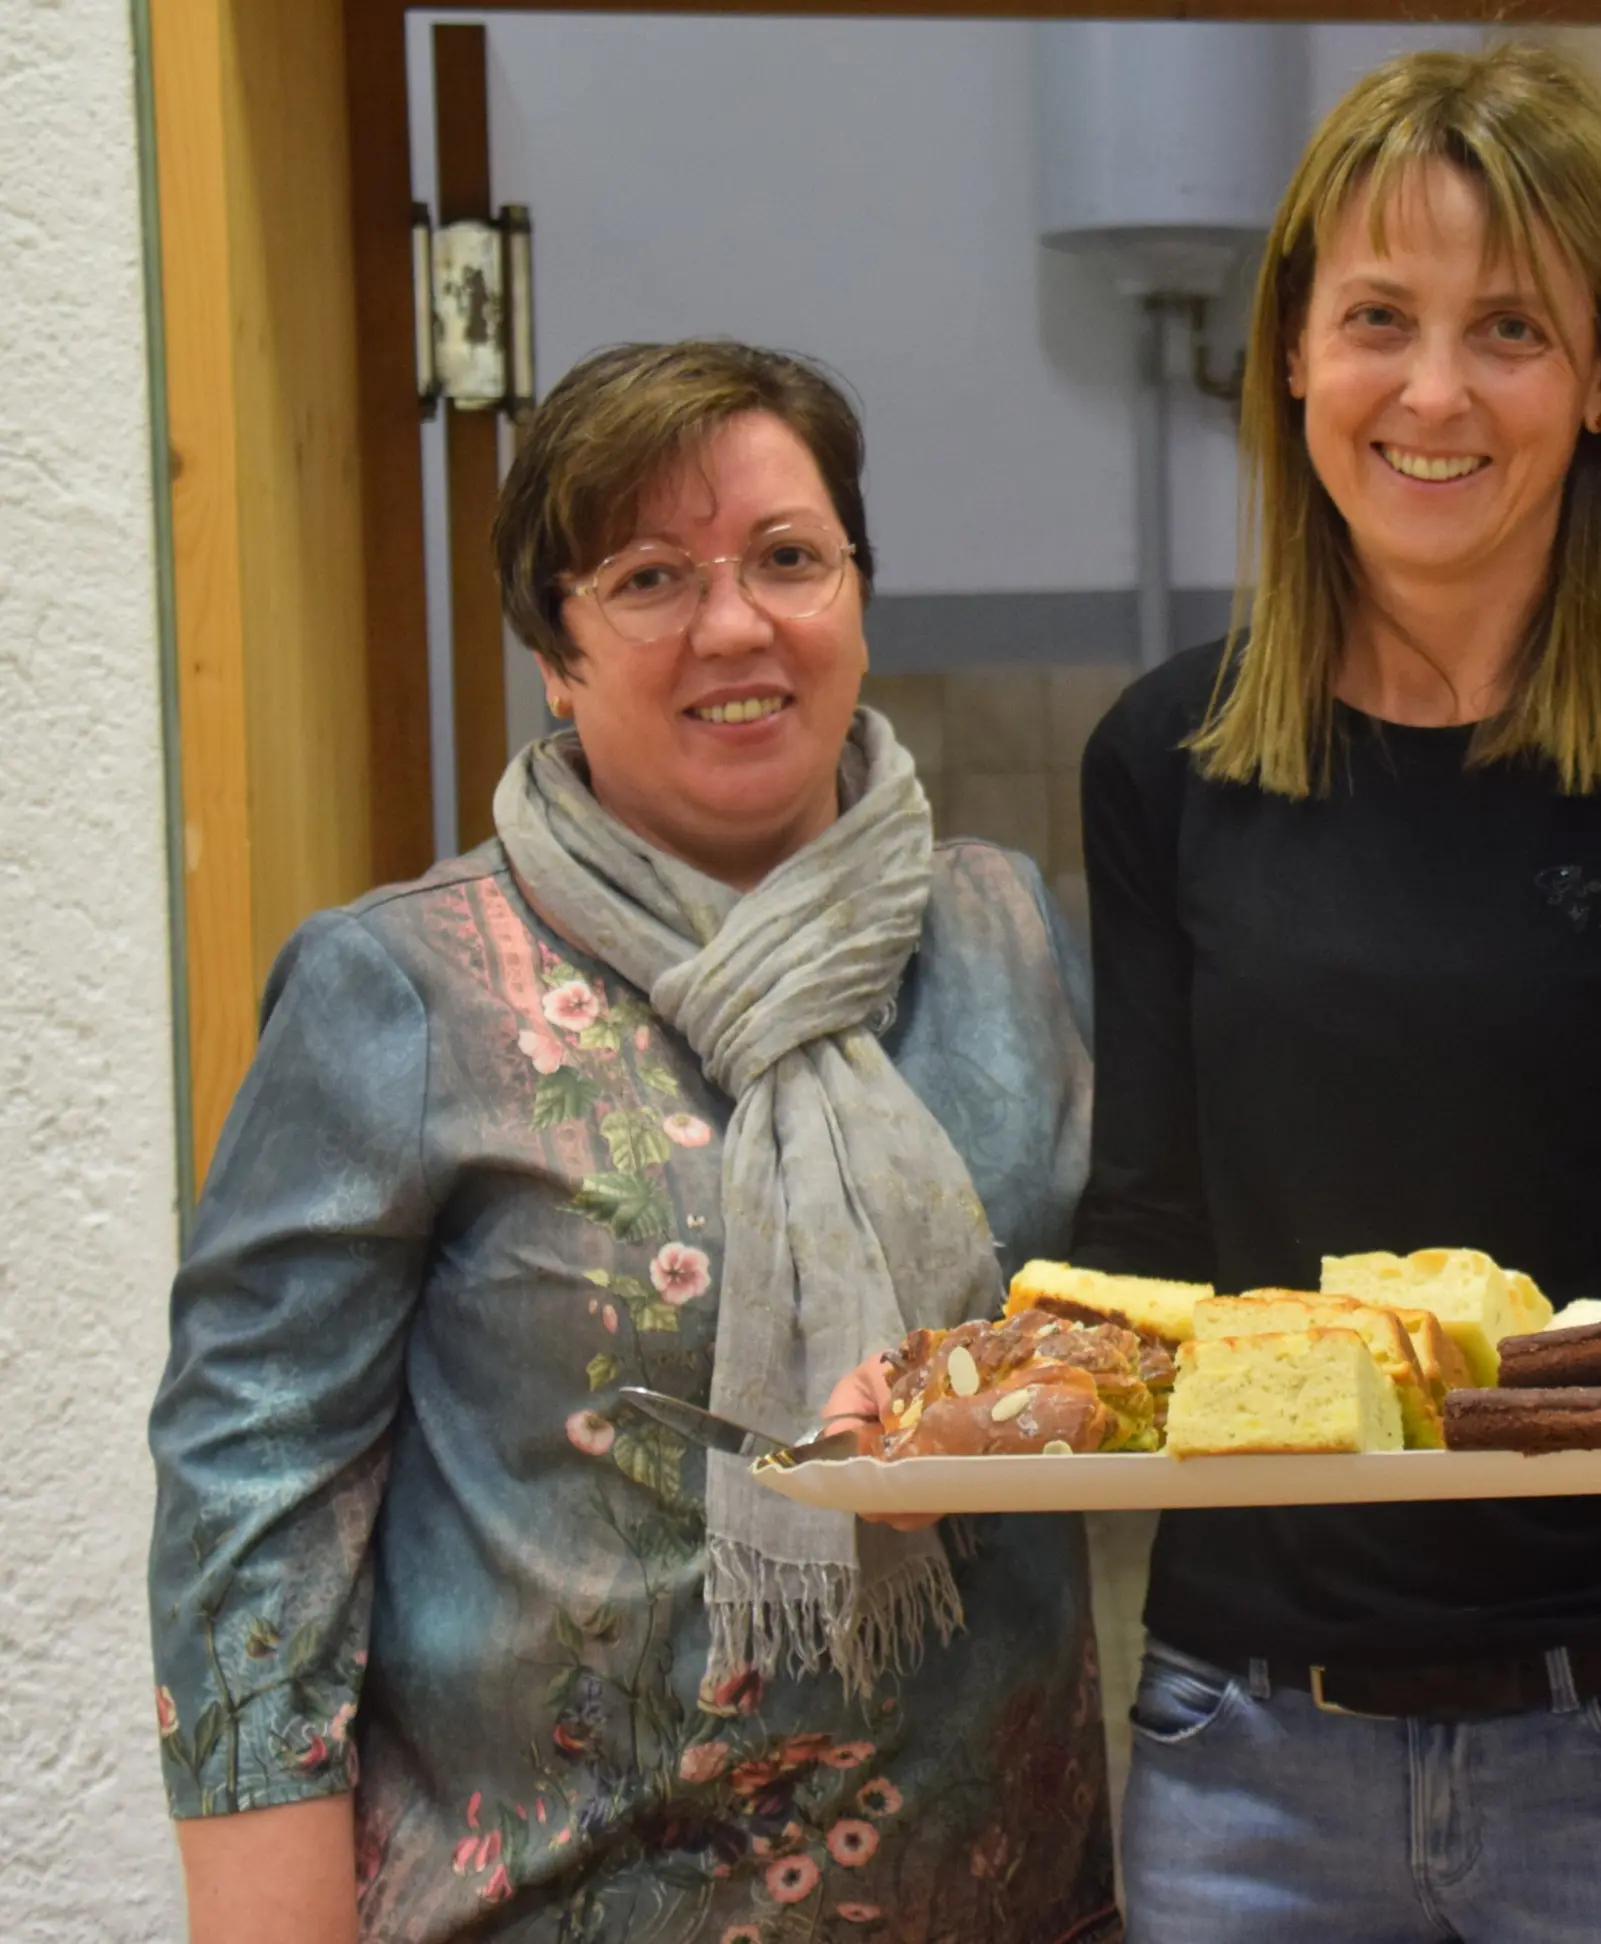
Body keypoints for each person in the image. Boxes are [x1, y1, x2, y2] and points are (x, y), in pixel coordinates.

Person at [146, 341, 1114, 1944]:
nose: (735, 625)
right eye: (652, 576)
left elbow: (1156, 1325)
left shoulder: (1010, 940)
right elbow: (251, 1496)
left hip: (1003, 1896)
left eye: (789, 560)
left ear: (859, 595)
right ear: (556, 647)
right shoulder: (408, 986)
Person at [1068, 45, 1601, 1944]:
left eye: (1507, 326)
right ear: (1297, 360)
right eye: (1378, 320)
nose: (1431, 390)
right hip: (1249, 1753)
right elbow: (1153, 1236)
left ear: (1596, 378)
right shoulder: (1163, 762)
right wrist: (985, 1401)